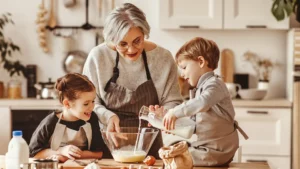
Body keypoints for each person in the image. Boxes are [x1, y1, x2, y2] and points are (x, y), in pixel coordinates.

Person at [82, 3, 182, 158]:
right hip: (107, 144)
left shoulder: (163, 59)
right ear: (112, 41)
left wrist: (164, 113)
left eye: (137, 41)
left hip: (150, 147)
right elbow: (88, 102)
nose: (131, 50)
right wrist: (108, 116)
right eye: (122, 44)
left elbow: (173, 101)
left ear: (144, 33)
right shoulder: (98, 57)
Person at [152, 37, 248, 166]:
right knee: (172, 151)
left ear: (201, 61)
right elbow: (194, 123)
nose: (183, 74)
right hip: (206, 147)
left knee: (175, 160)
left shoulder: (215, 84)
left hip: (218, 150)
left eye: (184, 67)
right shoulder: (200, 89)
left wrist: (175, 112)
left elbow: (203, 102)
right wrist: (169, 122)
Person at [29, 73, 107, 162]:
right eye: (86, 104)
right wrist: (61, 151)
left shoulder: (92, 118)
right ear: (67, 104)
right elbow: (33, 154)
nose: (92, 107)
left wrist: (71, 155)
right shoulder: (50, 122)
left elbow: (99, 153)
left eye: (93, 101)